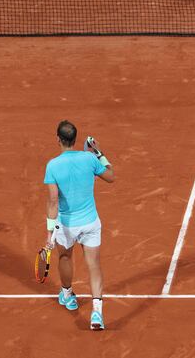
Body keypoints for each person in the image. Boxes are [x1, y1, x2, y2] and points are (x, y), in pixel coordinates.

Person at [43, 120, 115, 330]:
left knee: (65, 257)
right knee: (93, 265)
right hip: (90, 223)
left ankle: (68, 296)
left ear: (58, 139)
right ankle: (97, 314)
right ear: (75, 139)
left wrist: (49, 233)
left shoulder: (53, 166)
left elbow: (53, 201)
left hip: (66, 226)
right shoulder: (90, 159)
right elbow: (111, 176)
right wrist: (99, 153)